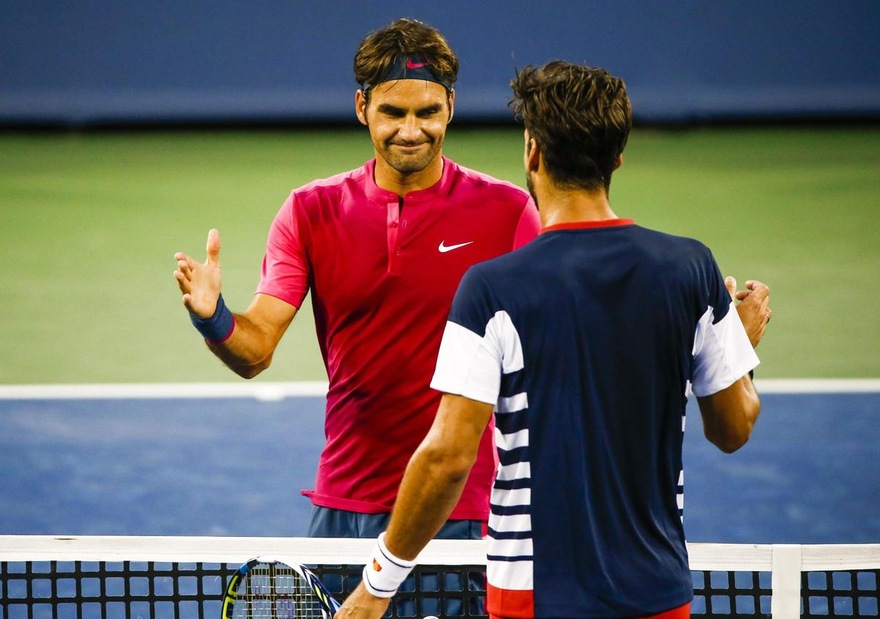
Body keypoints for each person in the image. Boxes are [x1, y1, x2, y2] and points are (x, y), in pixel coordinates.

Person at [335, 61, 772, 619]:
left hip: (533, 598)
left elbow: (447, 457)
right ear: (617, 157)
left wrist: (378, 585)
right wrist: (741, 347)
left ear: (532, 153)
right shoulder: (690, 269)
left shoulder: (492, 287)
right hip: (657, 594)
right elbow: (733, 429)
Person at [173, 17, 541, 544]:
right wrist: (214, 318)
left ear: (451, 108)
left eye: (428, 112)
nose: (411, 131)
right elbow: (255, 352)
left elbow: (551, 357)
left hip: (465, 508)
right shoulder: (309, 210)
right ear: (361, 107)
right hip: (347, 503)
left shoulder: (508, 211)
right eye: (393, 112)